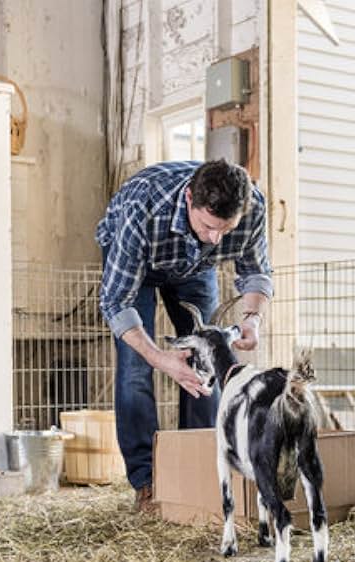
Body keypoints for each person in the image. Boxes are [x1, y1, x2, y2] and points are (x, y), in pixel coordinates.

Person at [96, 159, 273, 512]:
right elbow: (116, 302)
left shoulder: (251, 207)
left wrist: (253, 319)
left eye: (226, 229)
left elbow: (255, 271)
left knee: (206, 358)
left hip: (196, 267)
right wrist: (159, 357)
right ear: (190, 198)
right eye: (208, 225)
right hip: (139, 263)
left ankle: (201, 467)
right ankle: (148, 482)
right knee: (135, 368)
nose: (215, 238)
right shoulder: (142, 207)